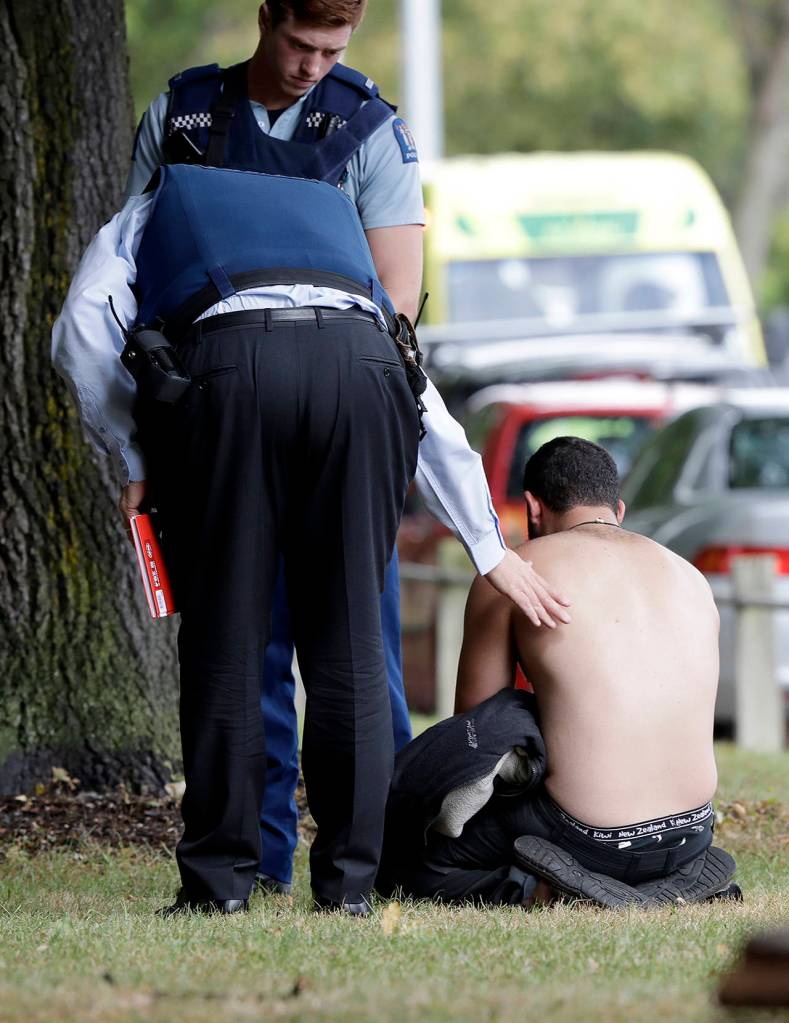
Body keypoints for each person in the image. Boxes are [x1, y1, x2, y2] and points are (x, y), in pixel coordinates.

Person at [51, 161, 570, 917]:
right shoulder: (334, 219)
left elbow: (82, 324)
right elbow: (415, 389)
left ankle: (219, 886)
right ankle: (349, 889)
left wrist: (135, 452)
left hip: (230, 369)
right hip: (361, 374)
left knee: (227, 640)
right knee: (352, 645)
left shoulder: (158, 199)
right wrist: (490, 552)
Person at [124, 0, 423, 896]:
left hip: (313, 389)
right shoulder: (181, 117)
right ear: (265, 19)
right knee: (242, 643)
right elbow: (132, 272)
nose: (311, 66)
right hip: (233, 391)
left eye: (334, 50)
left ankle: (368, 863)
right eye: (299, 44)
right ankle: (259, 861)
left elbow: (397, 304)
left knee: (349, 640)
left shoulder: (370, 128)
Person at [379, 437, 732, 908]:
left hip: (585, 836)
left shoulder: (517, 572)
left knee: (400, 866)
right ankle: (666, 883)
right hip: (692, 833)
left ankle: (540, 890)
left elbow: (477, 734)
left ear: (532, 508)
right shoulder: (690, 576)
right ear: (618, 509)